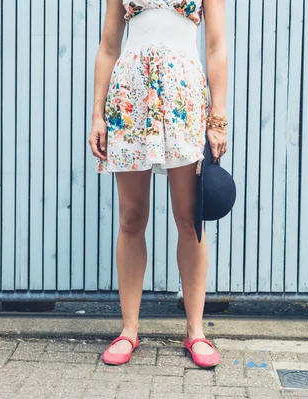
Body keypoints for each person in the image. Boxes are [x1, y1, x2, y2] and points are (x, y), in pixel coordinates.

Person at [88, 0, 228, 368]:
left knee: (188, 219)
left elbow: (215, 46)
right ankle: (129, 329)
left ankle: (195, 330)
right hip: (130, 97)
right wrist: (97, 114)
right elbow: (108, 46)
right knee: (131, 218)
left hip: (183, 96)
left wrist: (218, 118)